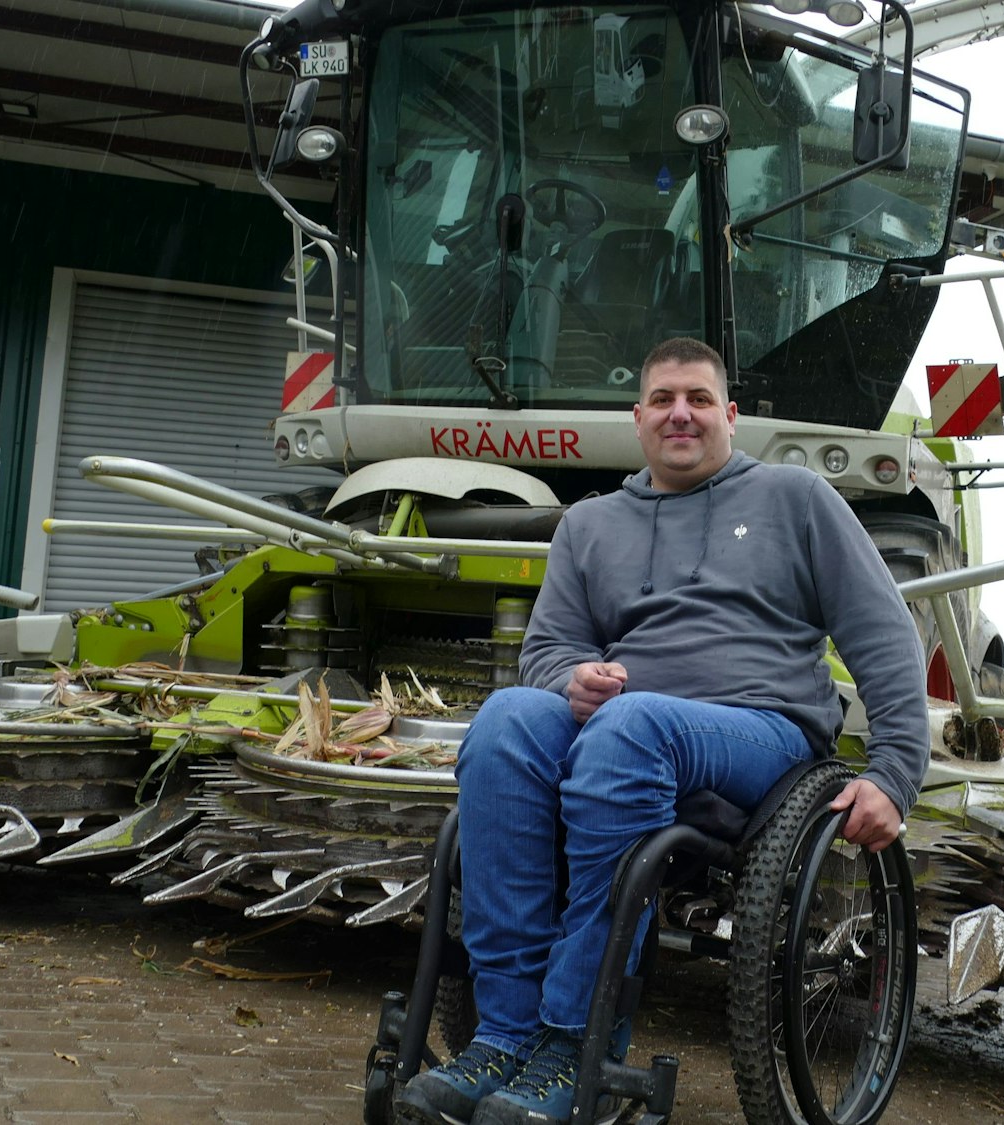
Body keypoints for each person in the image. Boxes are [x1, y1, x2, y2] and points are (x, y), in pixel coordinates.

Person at [397, 337, 928, 1125]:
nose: (682, 412)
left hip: (762, 738)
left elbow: (885, 638)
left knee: (630, 725)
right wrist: (570, 678)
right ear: (639, 418)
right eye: (665, 400)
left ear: (731, 416)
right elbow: (546, 651)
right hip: (625, 734)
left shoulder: (797, 499)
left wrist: (893, 773)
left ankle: (578, 1044)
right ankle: (504, 1034)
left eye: (700, 398)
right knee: (507, 719)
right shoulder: (590, 524)